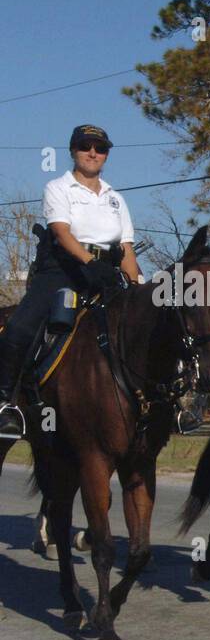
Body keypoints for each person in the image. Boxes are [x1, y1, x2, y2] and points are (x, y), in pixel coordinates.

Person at [0, 124, 141, 440]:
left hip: (107, 273)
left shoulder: (116, 198)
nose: (93, 153)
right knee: (20, 327)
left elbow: (127, 250)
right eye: (85, 146)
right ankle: (5, 402)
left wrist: (137, 288)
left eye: (100, 148)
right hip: (62, 271)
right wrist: (91, 264)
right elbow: (62, 234)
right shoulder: (58, 188)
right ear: (73, 151)